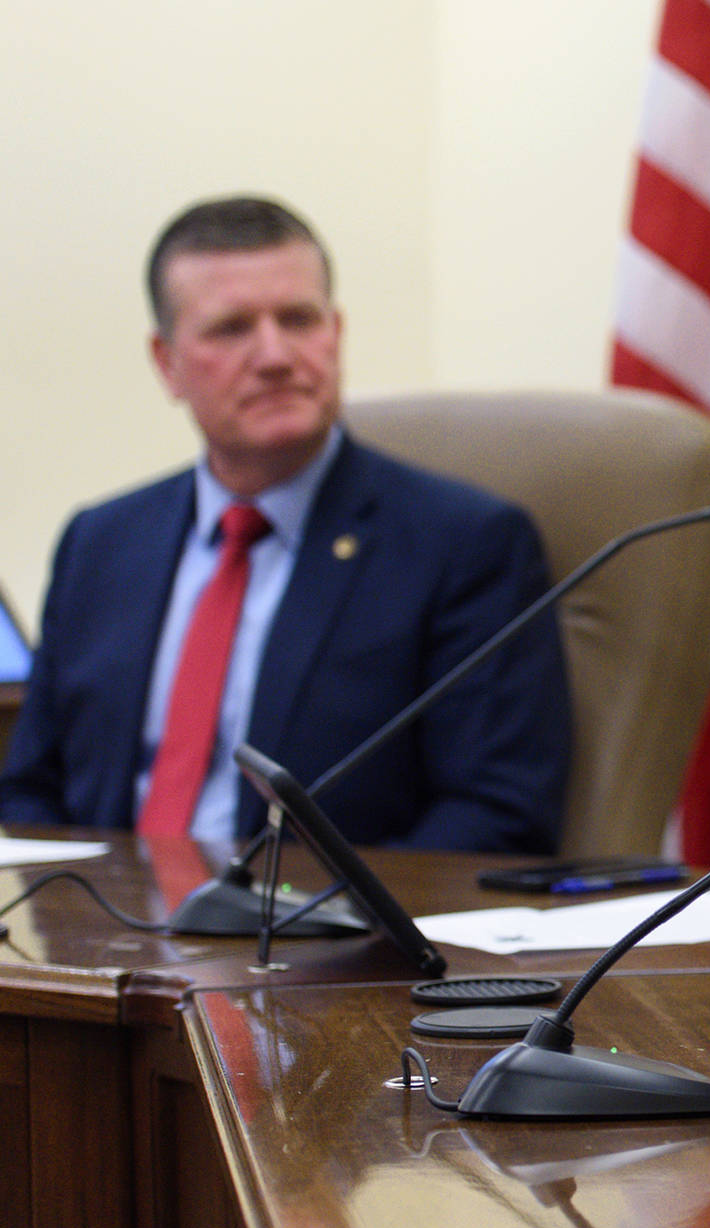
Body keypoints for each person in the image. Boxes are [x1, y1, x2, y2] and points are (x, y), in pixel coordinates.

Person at [0, 196, 570, 852]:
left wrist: (305, 926)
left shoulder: (466, 544)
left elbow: (496, 815)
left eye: (298, 319)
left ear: (337, 332)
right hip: (99, 931)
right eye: (231, 328)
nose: (274, 355)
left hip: (317, 940)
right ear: (167, 363)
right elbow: (30, 793)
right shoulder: (100, 542)